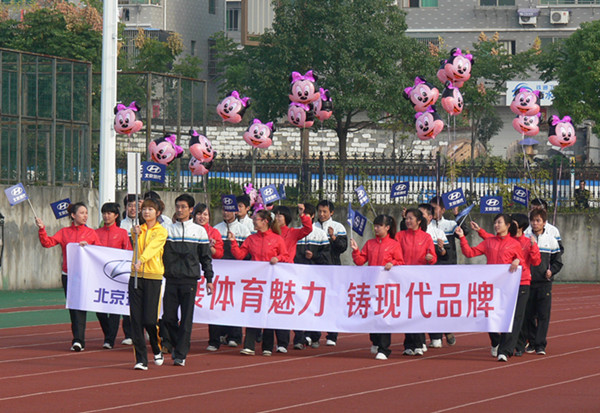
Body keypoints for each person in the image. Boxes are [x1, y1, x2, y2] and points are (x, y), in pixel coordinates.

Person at [455, 213, 524, 362]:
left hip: (507, 287)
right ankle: (495, 340)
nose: (496, 225)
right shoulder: (489, 242)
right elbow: (469, 253)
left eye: (499, 222)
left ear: (507, 225)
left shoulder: (514, 244)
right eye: (495, 223)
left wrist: (517, 260)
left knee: (506, 317)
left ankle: (504, 351)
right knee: (487, 314)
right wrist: (462, 237)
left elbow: (522, 263)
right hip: (491, 285)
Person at [471, 214, 541, 359]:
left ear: (519, 226)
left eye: (513, 222)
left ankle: (510, 349)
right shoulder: (505, 240)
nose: (500, 225)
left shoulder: (527, 241)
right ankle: (497, 340)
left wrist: (533, 247)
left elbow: (535, 261)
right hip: (502, 283)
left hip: (521, 282)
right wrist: (479, 230)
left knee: (516, 317)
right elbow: (490, 240)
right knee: (490, 313)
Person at [36, 202, 100, 351]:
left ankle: (80, 339)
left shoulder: (91, 233)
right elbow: (47, 243)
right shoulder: (64, 232)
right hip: (68, 275)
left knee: (81, 306)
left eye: (86, 213)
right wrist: (42, 229)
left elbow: (99, 251)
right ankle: (78, 340)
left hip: (85, 275)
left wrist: (89, 248)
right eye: (82, 213)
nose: (85, 216)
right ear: (73, 215)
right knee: (73, 307)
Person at [161, 194, 214, 367]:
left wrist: (209, 278)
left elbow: (205, 258)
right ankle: (178, 344)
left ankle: (181, 354)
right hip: (171, 279)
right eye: (177, 206)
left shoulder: (199, 231)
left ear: (191, 209)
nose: (179, 210)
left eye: (183, 207)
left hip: (189, 280)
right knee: (168, 318)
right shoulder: (167, 229)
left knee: (186, 319)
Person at [228, 210, 289, 356]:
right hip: (255, 282)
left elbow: (286, 256)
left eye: (256, 219)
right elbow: (240, 255)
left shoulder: (277, 239)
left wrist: (278, 258)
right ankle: (249, 345)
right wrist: (233, 242)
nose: (254, 221)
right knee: (252, 311)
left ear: (265, 221)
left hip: (271, 281)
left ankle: (267, 347)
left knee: (268, 312)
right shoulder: (251, 239)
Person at [351, 215, 404, 360]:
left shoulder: (394, 244)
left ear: (387, 228)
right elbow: (360, 261)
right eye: (375, 225)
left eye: (379, 226)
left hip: (387, 286)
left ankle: (384, 348)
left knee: (384, 316)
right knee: (372, 315)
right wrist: (355, 251)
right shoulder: (370, 243)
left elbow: (400, 261)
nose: (376, 228)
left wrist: (393, 263)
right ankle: (375, 341)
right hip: (372, 285)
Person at [129, 198, 168, 370]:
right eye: (144, 209)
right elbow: (136, 247)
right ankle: (141, 359)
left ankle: (156, 346)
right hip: (136, 276)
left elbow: (152, 249)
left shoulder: (161, 231)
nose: (146, 212)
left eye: (150, 209)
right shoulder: (139, 229)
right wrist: (134, 235)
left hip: (153, 277)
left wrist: (141, 260)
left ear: (157, 213)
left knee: (150, 320)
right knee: (136, 320)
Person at [395, 208, 437, 356]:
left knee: (417, 311)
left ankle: (419, 343)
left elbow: (433, 257)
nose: (407, 221)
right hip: (403, 278)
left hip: (420, 279)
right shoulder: (400, 236)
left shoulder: (426, 237)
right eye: (406, 218)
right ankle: (408, 344)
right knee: (406, 311)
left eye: (411, 218)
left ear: (419, 221)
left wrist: (430, 258)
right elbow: (395, 254)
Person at [271, 204, 312, 353]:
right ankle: (282, 342)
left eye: (280, 216)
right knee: (277, 306)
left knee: (292, 306)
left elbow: (307, 229)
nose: (277, 218)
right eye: (275, 215)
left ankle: (299, 338)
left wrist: (302, 215)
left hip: (288, 273)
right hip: (273, 272)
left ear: (286, 218)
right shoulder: (270, 233)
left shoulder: (292, 232)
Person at [523, 208, 563, 356]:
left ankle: (540, 344)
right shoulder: (525, 238)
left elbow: (558, 262)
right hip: (528, 282)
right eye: (533, 220)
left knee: (543, 315)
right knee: (528, 314)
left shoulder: (551, 240)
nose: (535, 223)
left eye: (538, 220)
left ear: (544, 222)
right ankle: (532, 342)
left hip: (544, 283)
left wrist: (551, 271)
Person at [293, 202, 331, 349]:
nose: (303, 217)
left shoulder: (320, 234)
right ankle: (299, 338)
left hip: (315, 277)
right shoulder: (295, 232)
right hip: (298, 276)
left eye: (307, 215)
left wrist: (314, 256)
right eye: (301, 214)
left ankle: (314, 336)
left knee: (313, 307)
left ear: (312, 216)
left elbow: (326, 257)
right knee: (297, 306)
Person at [429, 196, 466, 347]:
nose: (433, 211)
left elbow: (465, 231)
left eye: (435, 208)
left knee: (445, 302)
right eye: (430, 208)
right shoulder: (427, 226)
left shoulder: (450, 224)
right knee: (431, 302)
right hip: (431, 267)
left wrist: (458, 215)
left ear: (443, 210)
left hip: (448, 267)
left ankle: (447, 328)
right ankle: (435, 336)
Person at [95, 202, 132, 349]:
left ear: (116, 215)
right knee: (100, 310)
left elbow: (128, 252)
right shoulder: (96, 232)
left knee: (114, 308)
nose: (106, 216)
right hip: (99, 275)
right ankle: (108, 334)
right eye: (104, 213)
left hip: (116, 276)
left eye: (109, 213)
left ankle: (109, 340)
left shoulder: (122, 233)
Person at [214, 205, 252, 347]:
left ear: (235, 211)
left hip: (237, 273)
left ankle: (235, 337)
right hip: (220, 273)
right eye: (224, 210)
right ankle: (220, 334)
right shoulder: (217, 229)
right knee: (220, 302)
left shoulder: (243, 230)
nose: (226, 213)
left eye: (229, 210)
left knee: (235, 303)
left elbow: (247, 253)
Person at [192, 203, 228, 353]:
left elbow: (219, 254)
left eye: (205, 214)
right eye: (199, 214)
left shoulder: (214, 232)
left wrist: (210, 246)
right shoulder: (189, 229)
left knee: (211, 307)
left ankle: (214, 340)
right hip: (191, 271)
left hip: (209, 274)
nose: (202, 217)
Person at [314, 200, 347, 346]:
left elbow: (343, 247)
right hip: (316, 269)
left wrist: (333, 237)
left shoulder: (338, 227)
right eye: (320, 211)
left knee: (332, 302)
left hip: (333, 269)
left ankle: (332, 335)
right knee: (315, 301)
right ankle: (314, 335)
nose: (321, 214)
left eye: (325, 211)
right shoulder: (313, 227)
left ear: (331, 212)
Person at [418, 203, 450, 349]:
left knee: (432, 306)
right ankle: (419, 341)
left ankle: (436, 336)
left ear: (430, 217)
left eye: (421, 215)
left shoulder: (438, 233)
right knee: (417, 306)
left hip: (433, 275)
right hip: (416, 275)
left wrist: (442, 249)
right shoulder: (409, 233)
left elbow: (447, 255)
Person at [119, 194, 142, 346]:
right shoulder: (121, 225)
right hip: (125, 268)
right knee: (126, 301)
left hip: (142, 267)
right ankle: (129, 333)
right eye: (130, 206)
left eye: (135, 206)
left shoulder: (144, 224)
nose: (133, 209)